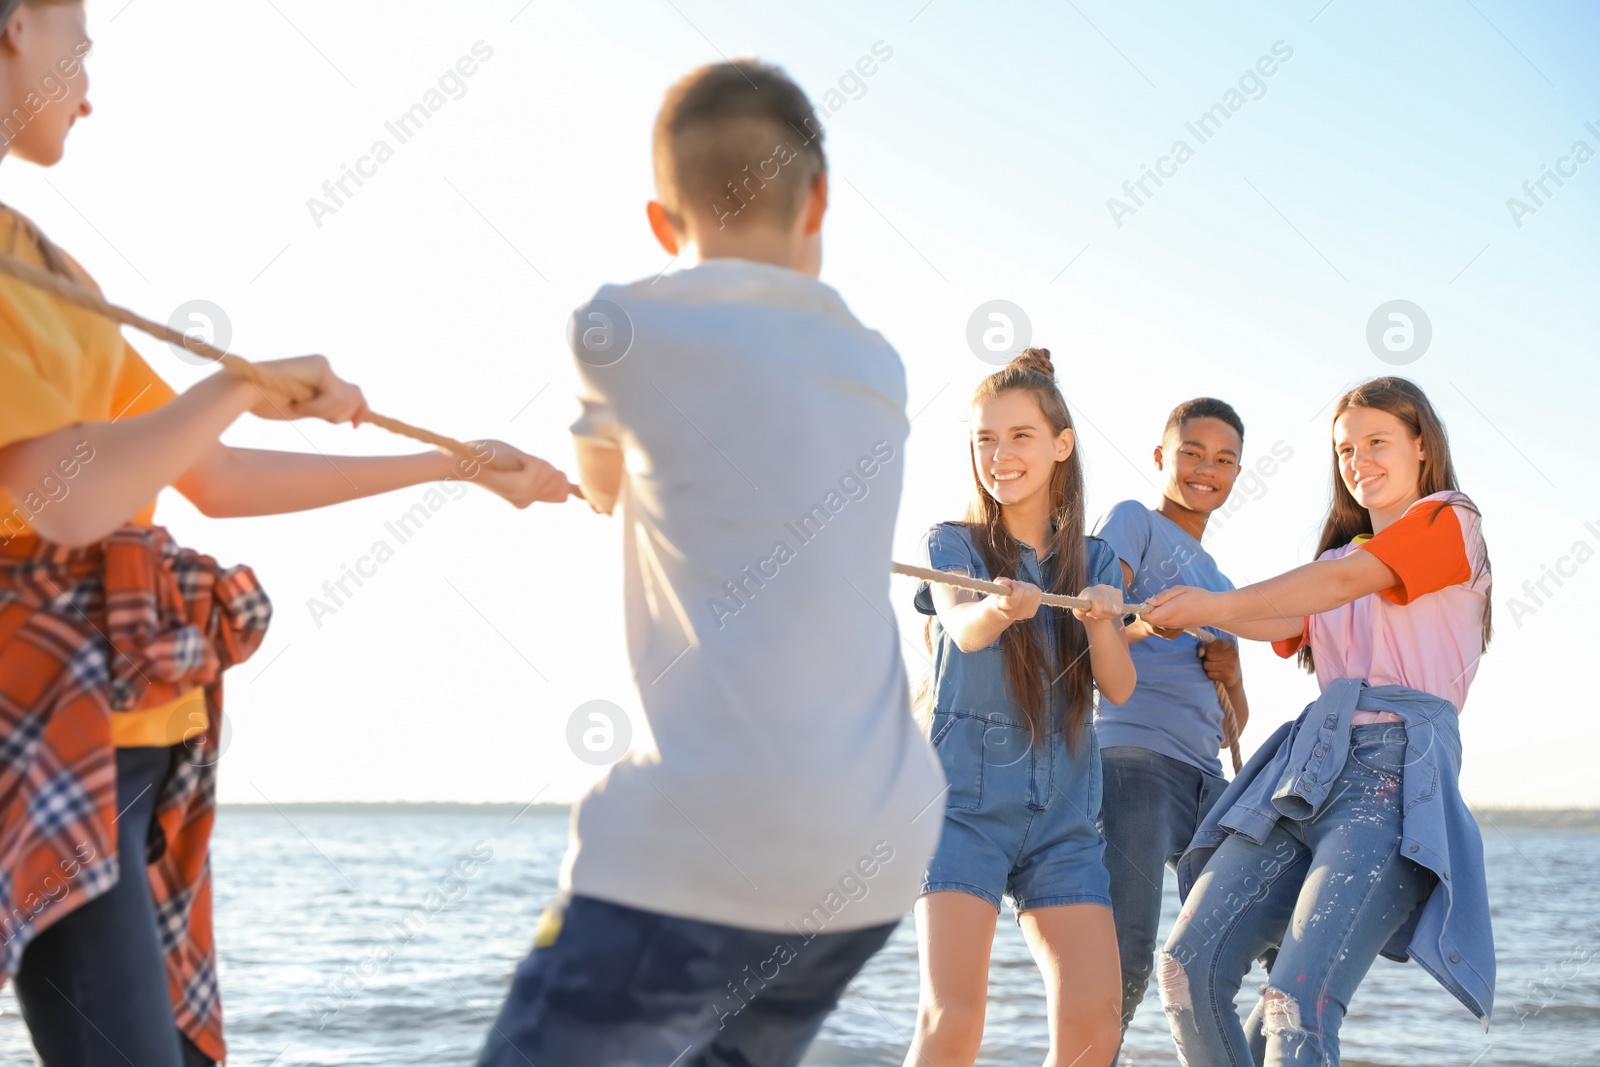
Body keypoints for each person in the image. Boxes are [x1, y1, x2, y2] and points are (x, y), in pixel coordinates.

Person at [0, 3, 571, 1063]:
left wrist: (452, 467)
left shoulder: (47, 268)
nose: (90, 84)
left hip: (134, 736)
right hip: (45, 739)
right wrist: (231, 385)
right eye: (81, 40)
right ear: (21, 24)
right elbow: (65, 498)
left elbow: (202, 474)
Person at [475, 60, 943, 1067]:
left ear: (659, 221)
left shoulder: (619, 328)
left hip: (705, 840)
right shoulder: (878, 362)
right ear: (818, 198)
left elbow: (603, 484)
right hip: (874, 847)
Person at [1143, 376, 1495, 1066]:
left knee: (1295, 1004)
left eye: (1376, 442)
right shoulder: (1336, 559)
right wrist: (1160, 606)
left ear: (1422, 446)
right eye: (1344, 449)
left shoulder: (1451, 522)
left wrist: (1208, 603)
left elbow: (1338, 586)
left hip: (1393, 781)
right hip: (1306, 775)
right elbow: (1280, 614)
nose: (1357, 460)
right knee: (1185, 967)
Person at [904, 347, 1133, 1067]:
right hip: (961, 810)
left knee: (1097, 1019)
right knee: (954, 1018)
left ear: (1061, 445)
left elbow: (1119, 687)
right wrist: (1001, 609)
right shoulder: (953, 545)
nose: (999, 455)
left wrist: (1103, 619)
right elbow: (964, 628)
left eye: (1020, 436)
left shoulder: (1094, 562)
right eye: (985, 439)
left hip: (1063, 819)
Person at [1092, 397, 1253, 1037]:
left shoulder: (1221, 580)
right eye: (1190, 453)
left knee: (1256, 931)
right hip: (1135, 761)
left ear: (1237, 473)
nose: (1204, 469)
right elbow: (1092, 623)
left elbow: (1231, 720)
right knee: (1126, 954)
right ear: (1162, 457)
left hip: (1208, 778)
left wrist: (1233, 673)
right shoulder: (1134, 521)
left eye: (1223, 459)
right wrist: (1152, 621)